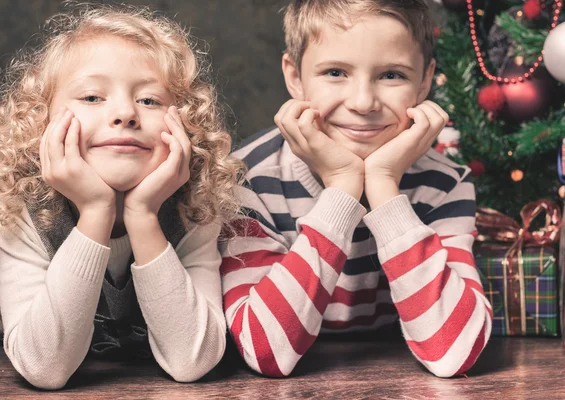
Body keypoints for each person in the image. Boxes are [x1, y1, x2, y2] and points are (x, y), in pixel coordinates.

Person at [221, 0, 492, 378]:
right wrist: (343, 190)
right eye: (335, 72)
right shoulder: (246, 180)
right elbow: (265, 349)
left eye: (392, 75)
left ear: (425, 80)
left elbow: (453, 352)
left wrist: (382, 184)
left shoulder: (445, 184)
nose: (363, 102)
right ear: (295, 76)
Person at [0, 4, 243, 389]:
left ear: (186, 124)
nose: (125, 113)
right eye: (93, 97)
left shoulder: (194, 207)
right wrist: (95, 211)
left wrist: (144, 215)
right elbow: (44, 367)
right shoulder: (18, 207)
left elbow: (192, 360)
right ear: (41, 118)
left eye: (149, 100)